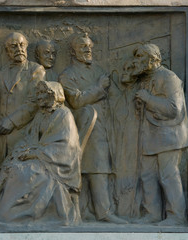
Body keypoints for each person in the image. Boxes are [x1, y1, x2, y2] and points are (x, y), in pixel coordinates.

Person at [0, 81, 81, 226]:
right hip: (39, 157)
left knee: (23, 172)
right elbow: (29, 137)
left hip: (56, 164)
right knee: (11, 166)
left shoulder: (63, 114)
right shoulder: (40, 114)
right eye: (37, 94)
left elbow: (67, 146)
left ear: (54, 95)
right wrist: (20, 151)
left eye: (42, 93)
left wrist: (35, 154)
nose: (39, 97)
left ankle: (14, 216)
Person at [59, 33, 127, 224]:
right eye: (83, 47)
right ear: (73, 51)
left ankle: (87, 211)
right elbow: (76, 100)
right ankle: (103, 212)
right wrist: (98, 88)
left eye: (89, 46)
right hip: (86, 127)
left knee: (98, 168)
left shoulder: (99, 70)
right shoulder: (67, 75)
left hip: (107, 126)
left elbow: (115, 96)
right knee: (96, 169)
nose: (88, 50)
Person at [132, 43, 188, 226]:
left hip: (169, 136)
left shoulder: (169, 77)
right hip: (150, 136)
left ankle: (177, 216)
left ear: (153, 59)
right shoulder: (146, 78)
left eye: (140, 57)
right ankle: (153, 214)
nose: (137, 61)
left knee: (168, 175)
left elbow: (174, 109)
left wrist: (147, 99)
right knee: (147, 175)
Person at [0, 32, 45, 169]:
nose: (18, 49)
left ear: (26, 47)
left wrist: (11, 121)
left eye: (21, 45)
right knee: (1, 173)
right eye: (13, 46)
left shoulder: (35, 70)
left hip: (24, 132)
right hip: (2, 137)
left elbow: (34, 103)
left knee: (20, 174)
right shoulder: (3, 72)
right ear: (7, 51)